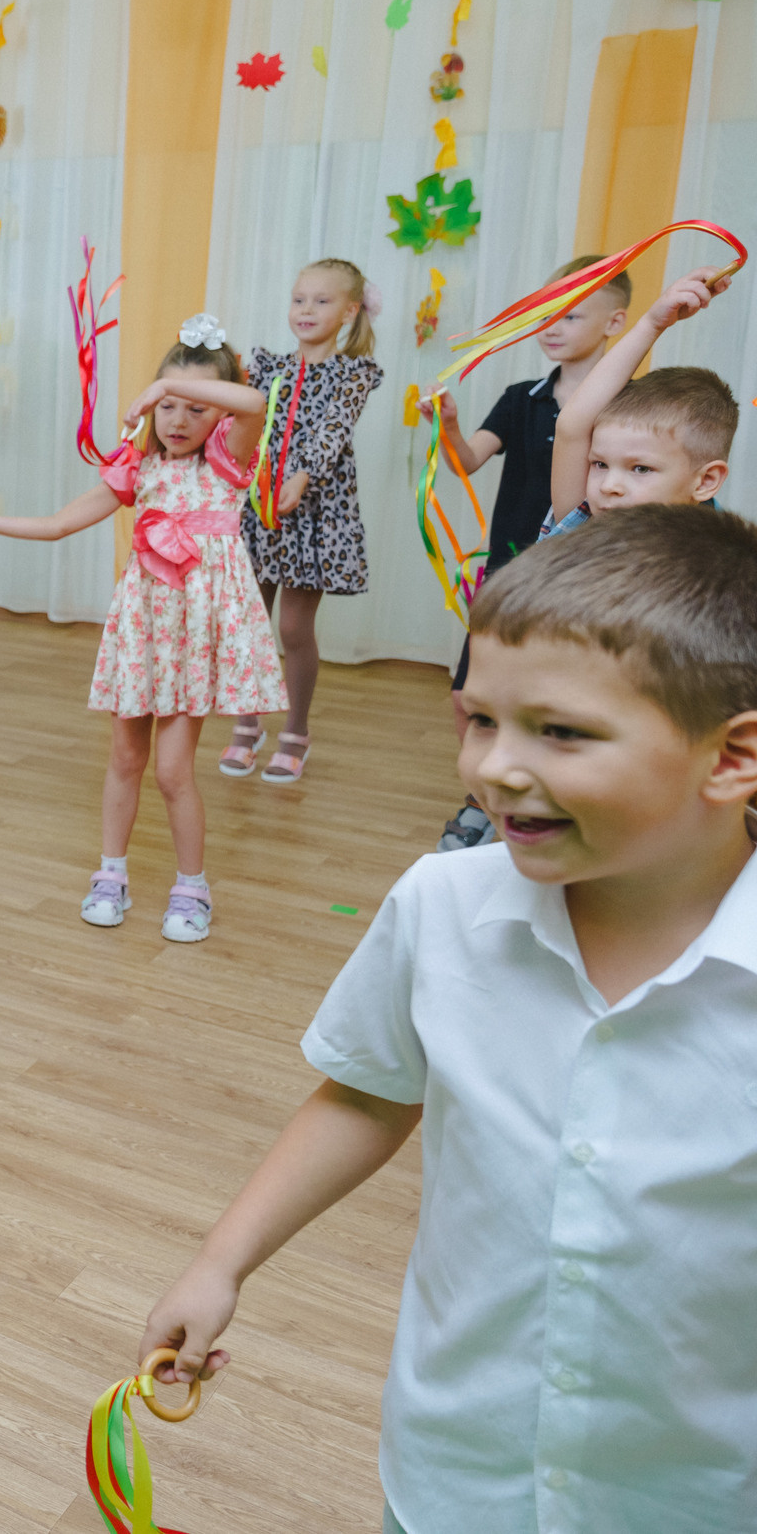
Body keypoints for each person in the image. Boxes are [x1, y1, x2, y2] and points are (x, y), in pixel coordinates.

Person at [139, 504, 757, 1534]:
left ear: (731, 757)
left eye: (559, 732)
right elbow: (365, 1096)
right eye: (476, 718)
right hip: (452, 1475)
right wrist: (221, 1259)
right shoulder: (442, 906)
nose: (493, 769)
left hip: (692, 1494)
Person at [0, 321, 286, 943]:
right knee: (125, 758)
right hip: (142, 631)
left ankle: (192, 887)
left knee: (173, 772)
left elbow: (258, 401)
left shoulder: (229, 461)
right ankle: (111, 874)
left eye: (195, 407)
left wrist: (164, 384)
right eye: (167, 405)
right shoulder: (140, 467)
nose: (177, 419)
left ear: (217, 417)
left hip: (196, 634)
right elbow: (57, 524)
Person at [420, 260, 630, 851]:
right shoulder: (520, 399)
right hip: (509, 575)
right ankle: (483, 801)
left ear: (616, 322)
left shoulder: (628, 405)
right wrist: (449, 425)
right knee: (470, 695)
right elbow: (466, 461)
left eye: (570, 313)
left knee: (555, 695)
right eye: (546, 312)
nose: (552, 326)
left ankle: (546, 802)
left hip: (583, 580)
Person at [224, 259, 384, 785]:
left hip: (314, 512)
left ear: (349, 311)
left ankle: (296, 730)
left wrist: (303, 477)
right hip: (260, 506)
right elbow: (239, 419)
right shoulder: (267, 366)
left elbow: (332, 430)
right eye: (299, 300)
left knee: (293, 627)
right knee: (251, 622)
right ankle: (247, 725)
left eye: (321, 301)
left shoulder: (353, 372)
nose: (306, 310)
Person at [536, 266, 737, 543]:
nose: (609, 486)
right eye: (600, 464)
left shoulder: (723, 565)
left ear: (705, 481)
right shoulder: (585, 531)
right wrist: (652, 324)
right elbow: (573, 425)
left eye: (641, 468)